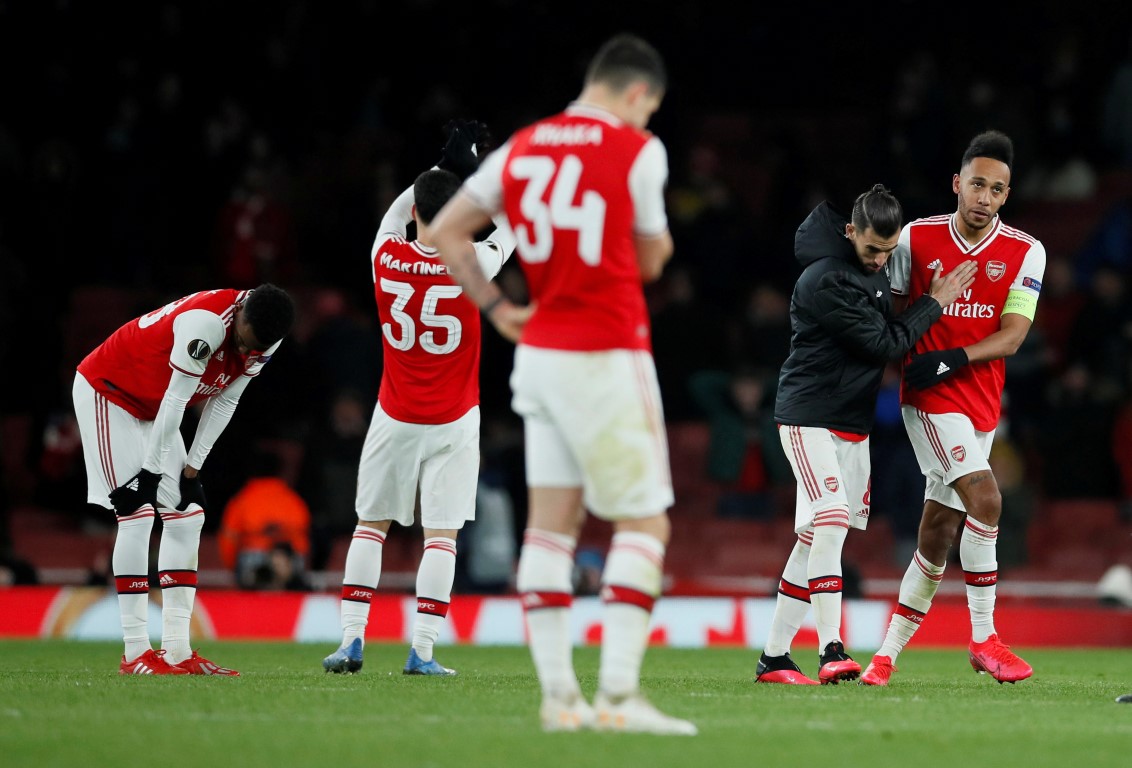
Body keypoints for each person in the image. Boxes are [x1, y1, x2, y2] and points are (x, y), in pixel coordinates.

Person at [429, 33, 697, 735]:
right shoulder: (639, 150)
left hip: (538, 353)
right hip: (606, 351)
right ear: (639, 94)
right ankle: (616, 697)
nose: (647, 123)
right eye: (649, 110)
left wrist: (496, 308)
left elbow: (448, 232)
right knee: (644, 524)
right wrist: (658, 246)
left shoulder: (523, 146)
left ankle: (559, 700)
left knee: (550, 528)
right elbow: (648, 260)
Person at [754, 186, 976, 686]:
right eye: (872, 247)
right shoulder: (825, 278)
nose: (880, 259)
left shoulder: (866, 273)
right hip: (808, 416)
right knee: (830, 518)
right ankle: (831, 648)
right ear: (850, 231)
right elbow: (883, 344)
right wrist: (934, 302)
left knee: (815, 536)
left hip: (850, 425)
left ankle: (773, 658)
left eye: (889, 250)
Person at [320, 121, 517, 677]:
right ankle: (423, 651)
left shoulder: (385, 256)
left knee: (370, 526)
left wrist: (442, 171)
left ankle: (351, 643)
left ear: (415, 213)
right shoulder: (474, 264)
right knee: (442, 536)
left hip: (395, 414)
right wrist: (480, 178)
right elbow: (512, 226)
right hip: (454, 419)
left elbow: (397, 212)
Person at [860, 130, 1046, 686]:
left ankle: (884, 658)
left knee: (937, 535)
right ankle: (985, 639)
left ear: (1006, 195)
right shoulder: (916, 239)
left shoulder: (1024, 250)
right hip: (928, 398)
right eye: (976, 185)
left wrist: (955, 357)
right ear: (957, 184)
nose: (984, 197)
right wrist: (920, 347)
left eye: (996, 189)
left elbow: (1013, 335)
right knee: (987, 498)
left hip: (980, 403)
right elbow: (888, 315)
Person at [72, 283, 295, 675]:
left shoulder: (265, 340)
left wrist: (192, 470)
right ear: (241, 313)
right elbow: (177, 401)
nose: (246, 353)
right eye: (244, 342)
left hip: (153, 407)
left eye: (255, 349)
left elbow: (226, 400)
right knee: (137, 511)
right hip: (110, 392)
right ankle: (135, 652)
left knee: (188, 513)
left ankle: (177, 650)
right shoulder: (206, 323)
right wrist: (150, 474)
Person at [218, 448, 311, 588]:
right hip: (289, 565)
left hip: (252, 562)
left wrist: (233, 570)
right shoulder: (294, 500)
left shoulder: (241, 501)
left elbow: (229, 539)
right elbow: (304, 542)